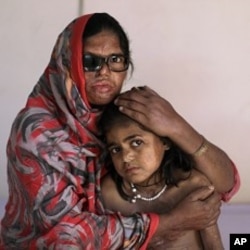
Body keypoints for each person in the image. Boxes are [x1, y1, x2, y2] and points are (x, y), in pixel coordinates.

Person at [0, 13, 240, 249]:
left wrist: (176, 125)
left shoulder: (127, 112)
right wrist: (169, 223)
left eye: (116, 59)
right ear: (68, 63)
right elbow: (65, 234)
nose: (104, 71)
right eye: (90, 61)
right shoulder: (35, 132)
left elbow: (224, 184)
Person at [99, 101, 225, 249]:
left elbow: (214, 246)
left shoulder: (193, 186)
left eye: (136, 142)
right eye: (116, 149)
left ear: (164, 142)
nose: (126, 157)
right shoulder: (110, 194)